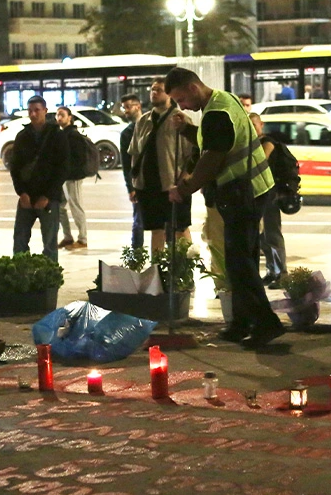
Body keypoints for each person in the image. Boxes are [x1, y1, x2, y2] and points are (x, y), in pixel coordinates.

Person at [165, 68, 285, 347]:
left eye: (181, 99)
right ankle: (243, 323)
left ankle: (266, 324)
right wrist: (187, 130)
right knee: (244, 261)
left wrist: (184, 188)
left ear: (193, 88)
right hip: (253, 190)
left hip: (242, 194)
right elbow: (215, 140)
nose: (182, 106)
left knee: (239, 264)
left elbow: (212, 159)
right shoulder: (223, 101)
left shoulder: (217, 113)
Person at [130, 78, 193, 253]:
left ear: (170, 94)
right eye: (152, 89)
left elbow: (191, 155)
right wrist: (135, 183)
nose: (154, 93)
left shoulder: (180, 119)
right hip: (149, 185)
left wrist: (184, 181)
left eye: (159, 89)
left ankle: (185, 267)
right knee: (155, 229)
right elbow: (135, 153)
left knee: (180, 228)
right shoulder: (143, 121)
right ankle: (157, 269)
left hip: (173, 184)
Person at [9, 96, 69, 262]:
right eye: (30, 111)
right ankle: (20, 274)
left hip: (49, 199)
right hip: (27, 196)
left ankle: (49, 280)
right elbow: (15, 168)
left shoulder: (57, 135)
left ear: (45, 111)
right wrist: (22, 192)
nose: (33, 114)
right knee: (20, 239)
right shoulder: (22, 136)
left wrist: (47, 196)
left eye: (37, 110)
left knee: (49, 243)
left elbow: (62, 169)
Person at [251, 113, 286, 287]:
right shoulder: (251, 143)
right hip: (258, 193)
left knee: (272, 233)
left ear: (261, 125)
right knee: (263, 237)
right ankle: (272, 271)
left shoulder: (268, 142)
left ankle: (282, 274)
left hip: (271, 193)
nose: (252, 129)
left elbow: (262, 159)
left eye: (254, 125)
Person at [56, 106, 89, 250]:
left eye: (62, 115)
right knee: (59, 206)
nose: (59, 118)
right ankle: (68, 237)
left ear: (70, 117)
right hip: (64, 177)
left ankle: (82, 239)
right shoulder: (62, 134)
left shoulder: (73, 135)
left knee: (76, 207)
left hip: (73, 177)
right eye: (57, 115)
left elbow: (79, 159)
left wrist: (70, 171)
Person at [119, 94, 144, 250]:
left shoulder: (151, 124)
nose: (125, 111)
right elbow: (126, 163)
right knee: (138, 221)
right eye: (124, 108)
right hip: (138, 182)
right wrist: (130, 187)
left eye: (128, 107)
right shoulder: (127, 133)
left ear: (138, 106)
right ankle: (137, 255)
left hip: (156, 180)